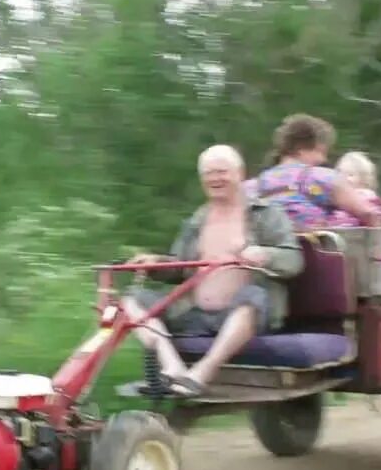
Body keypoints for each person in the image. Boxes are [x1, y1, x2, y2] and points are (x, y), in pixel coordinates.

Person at [120, 144, 303, 396]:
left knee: (253, 295)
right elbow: (178, 268)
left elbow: (294, 260)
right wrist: (154, 264)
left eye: (221, 171)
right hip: (192, 314)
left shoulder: (267, 214)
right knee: (130, 300)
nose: (215, 178)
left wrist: (265, 255)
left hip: (245, 316)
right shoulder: (197, 220)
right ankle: (172, 366)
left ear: (240, 173)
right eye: (208, 173)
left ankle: (202, 373)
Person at [252, 114, 381, 229]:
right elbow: (368, 214)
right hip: (312, 254)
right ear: (301, 149)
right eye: (321, 152)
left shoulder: (256, 185)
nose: (324, 159)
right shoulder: (319, 178)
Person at [327, 150, 381, 227]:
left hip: (356, 234)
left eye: (350, 175)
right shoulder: (338, 195)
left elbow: (373, 216)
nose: (344, 178)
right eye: (340, 173)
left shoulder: (366, 196)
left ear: (363, 179)